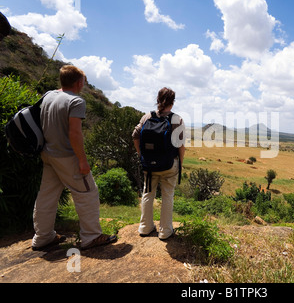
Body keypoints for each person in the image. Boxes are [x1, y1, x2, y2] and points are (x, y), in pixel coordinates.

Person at [32, 65, 117, 251]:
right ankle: (91, 237)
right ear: (79, 82)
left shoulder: (48, 96)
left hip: (47, 154)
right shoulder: (75, 101)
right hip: (66, 156)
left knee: (47, 196)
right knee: (88, 193)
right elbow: (75, 134)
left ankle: (42, 237)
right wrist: (82, 160)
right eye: (83, 82)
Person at [132, 87, 185, 240]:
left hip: (149, 164)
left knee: (148, 192)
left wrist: (141, 154)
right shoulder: (177, 119)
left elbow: (135, 135)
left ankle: (145, 227)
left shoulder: (147, 117)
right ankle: (165, 231)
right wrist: (180, 163)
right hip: (169, 165)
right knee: (168, 196)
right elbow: (181, 145)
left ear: (157, 100)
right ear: (172, 102)